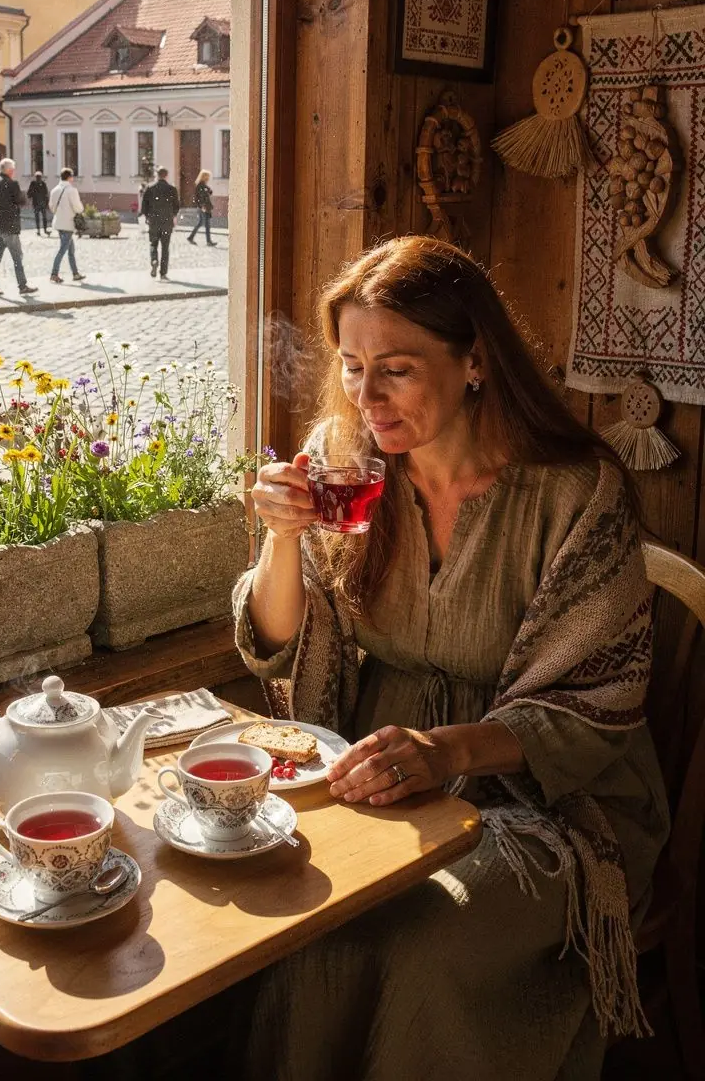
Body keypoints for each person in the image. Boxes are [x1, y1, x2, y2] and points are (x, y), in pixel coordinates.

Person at [233, 237, 669, 1081]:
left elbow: (596, 700)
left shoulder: (577, 492)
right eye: (352, 367)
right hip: (379, 772)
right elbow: (278, 645)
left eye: (395, 369)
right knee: (304, 920)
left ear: (475, 361)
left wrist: (446, 751)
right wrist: (282, 540)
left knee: (423, 932)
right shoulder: (348, 464)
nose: (367, 398)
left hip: (549, 796)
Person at [0, 157, 37, 298]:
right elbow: (21, 201)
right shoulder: (12, 184)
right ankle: (22, 286)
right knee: (17, 257)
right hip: (9, 227)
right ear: (10, 170)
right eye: (13, 170)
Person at [140, 165, 179, 277]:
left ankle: (154, 260)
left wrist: (148, 217)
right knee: (165, 247)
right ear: (166, 176)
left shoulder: (150, 188)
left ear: (157, 175)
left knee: (153, 244)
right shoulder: (172, 189)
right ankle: (163, 272)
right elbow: (176, 206)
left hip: (154, 221)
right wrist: (173, 216)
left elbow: (144, 207)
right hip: (167, 222)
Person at [48, 168, 86, 284]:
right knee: (63, 250)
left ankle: (75, 274)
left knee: (71, 250)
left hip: (58, 223)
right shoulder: (71, 190)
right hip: (68, 223)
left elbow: (51, 207)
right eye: (72, 176)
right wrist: (80, 210)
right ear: (69, 177)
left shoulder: (54, 190)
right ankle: (54, 274)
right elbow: (78, 207)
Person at [187, 169, 218, 246]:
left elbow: (209, 192)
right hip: (204, 207)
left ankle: (191, 237)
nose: (209, 178)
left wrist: (208, 189)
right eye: (208, 177)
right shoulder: (201, 185)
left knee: (201, 223)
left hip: (203, 207)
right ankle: (208, 241)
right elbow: (200, 197)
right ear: (205, 177)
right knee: (207, 225)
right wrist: (202, 206)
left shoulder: (202, 185)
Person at [26, 171, 51, 236]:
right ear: (36, 177)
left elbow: (46, 194)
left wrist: (47, 203)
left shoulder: (43, 184)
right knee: (38, 218)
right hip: (36, 203)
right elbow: (29, 193)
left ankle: (45, 230)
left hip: (42, 204)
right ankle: (38, 230)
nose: (38, 178)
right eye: (37, 177)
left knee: (44, 217)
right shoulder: (33, 183)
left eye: (39, 177)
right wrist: (32, 193)